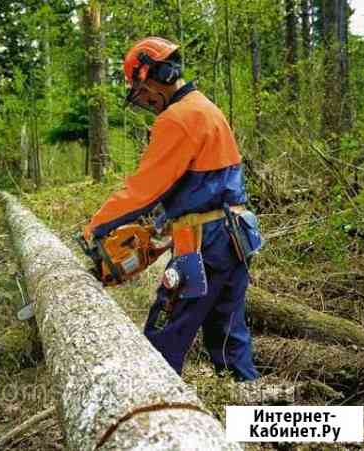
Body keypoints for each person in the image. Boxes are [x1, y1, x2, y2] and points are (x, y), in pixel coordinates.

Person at [83, 36, 261, 381]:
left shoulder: (176, 119)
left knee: (161, 339)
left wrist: (97, 226)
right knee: (229, 340)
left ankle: (155, 418)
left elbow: (143, 190)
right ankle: (257, 424)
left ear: (154, 76)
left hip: (204, 245)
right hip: (235, 236)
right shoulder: (206, 108)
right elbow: (204, 183)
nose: (146, 100)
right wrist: (165, 224)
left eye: (142, 89)